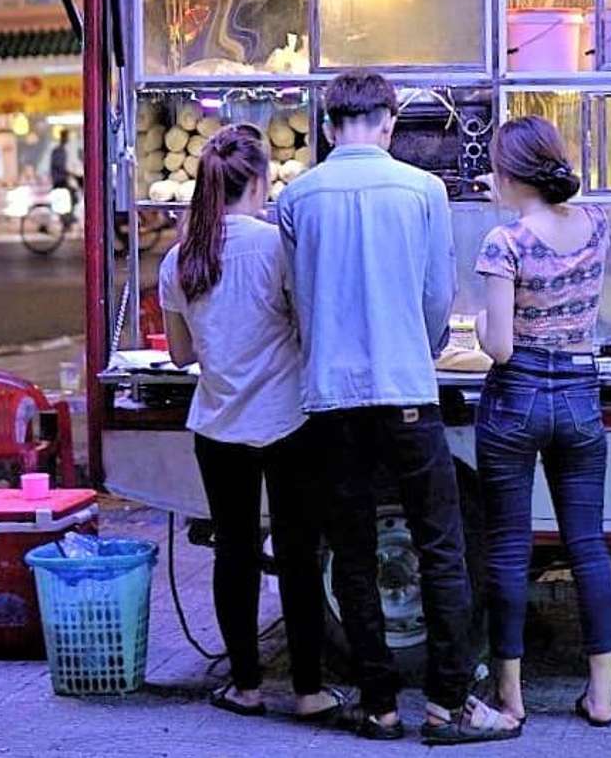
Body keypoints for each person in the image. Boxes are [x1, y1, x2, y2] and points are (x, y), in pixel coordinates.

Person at [277, 71, 520, 744]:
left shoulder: (296, 198)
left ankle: (378, 705)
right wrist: (422, 341)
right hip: (409, 391)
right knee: (441, 545)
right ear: (387, 123)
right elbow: (439, 296)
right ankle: (449, 703)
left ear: (328, 127)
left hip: (330, 398)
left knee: (353, 549)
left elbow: (300, 300)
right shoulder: (423, 190)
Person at [160, 124, 344, 723]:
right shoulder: (276, 248)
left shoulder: (181, 259)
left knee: (233, 552)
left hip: (218, 423)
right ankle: (310, 690)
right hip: (289, 419)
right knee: (297, 551)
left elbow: (181, 355)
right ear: (261, 180)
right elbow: (309, 325)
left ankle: (245, 685)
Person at [473, 116, 611, 729]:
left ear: (509, 174)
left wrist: (479, 324)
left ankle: (511, 696)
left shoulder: (504, 242)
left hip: (517, 397)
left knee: (508, 546)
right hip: (581, 395)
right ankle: (602, 697)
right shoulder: (597, 224)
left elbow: (499, 346)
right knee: (588, 545)